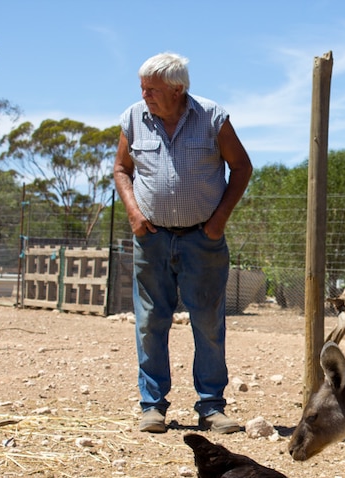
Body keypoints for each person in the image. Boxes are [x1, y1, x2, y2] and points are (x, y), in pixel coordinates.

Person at [113, 52, 253, 434]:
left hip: (202, 241)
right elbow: (121, 169)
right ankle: (152, 407)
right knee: (149, 323)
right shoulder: (132, 119)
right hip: (151, 239)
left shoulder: (212, 117)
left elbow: (242, 167)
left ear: (178, 90)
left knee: (207, 323)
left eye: (152, 89)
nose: (145, 96)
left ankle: (211, 408)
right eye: (142, 88)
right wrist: (134, 215)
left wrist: (218, 221)